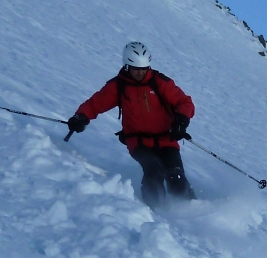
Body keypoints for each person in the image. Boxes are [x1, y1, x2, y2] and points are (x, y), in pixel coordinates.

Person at [67, 42, 197, 206]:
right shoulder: (119, 86)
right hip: (138, 142)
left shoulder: (159, 82)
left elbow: (184, 102)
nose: (140, 72)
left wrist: (181, 121)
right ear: (126, 65)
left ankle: (191, 209)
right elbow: (96, 103)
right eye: (136, 69)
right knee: (153, 171)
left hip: (167, 139)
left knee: (176, 175)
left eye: (144, 68)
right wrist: (81, 117)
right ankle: (157, 212)